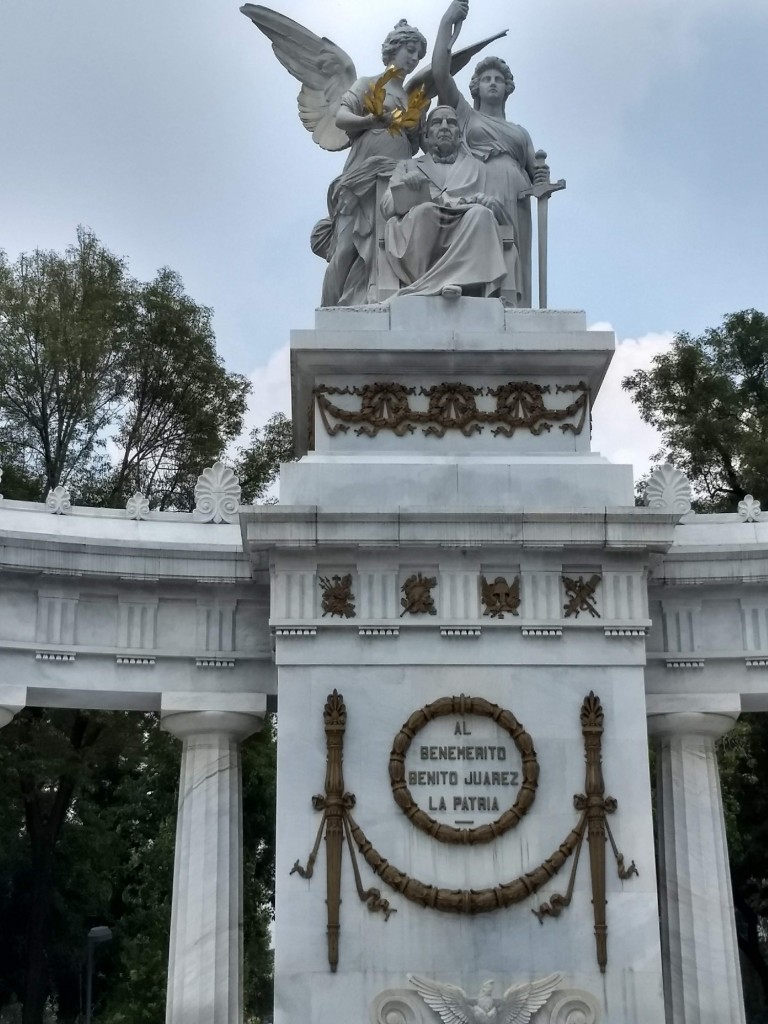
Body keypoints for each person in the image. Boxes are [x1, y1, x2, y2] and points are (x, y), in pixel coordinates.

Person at [432, 0, 544, 306]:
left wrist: (543, 177)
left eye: (498, 79)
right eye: (486, 79)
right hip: (477, 184)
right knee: (480, 234)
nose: (492, 83)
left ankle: (512, 303)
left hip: (516, 191)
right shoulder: (466, 116)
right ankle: (475, 298)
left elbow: (537, 176)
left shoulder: (520, 133)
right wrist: (447, 22)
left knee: (514, 248)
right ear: (476, 87)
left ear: (508, 88)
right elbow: (440, 73)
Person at [317, 20, 428, 307]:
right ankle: (329, 312)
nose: (415, 58)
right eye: (411, 49)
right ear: (394, 49)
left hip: (398, 176)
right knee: (344, 249)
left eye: (419, 54)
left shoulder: (414, 96)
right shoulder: (368, 84)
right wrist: (370, 120)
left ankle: (379, 304)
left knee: (391, 245)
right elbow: (341, 118)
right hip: (362, 174)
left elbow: (425, 143)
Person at [381, 106, 509, 298]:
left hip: (464, 225)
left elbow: (500, 209)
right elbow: (386, 205)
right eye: (436, 122)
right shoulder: (409, 165)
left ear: (459, 135)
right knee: (425, 211)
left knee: (481, 215)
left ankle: (455, 281)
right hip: (425, 225)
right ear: (427, 134)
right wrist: (407, 186)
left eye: (451, 123)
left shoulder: (479, 168)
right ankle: (426, 284)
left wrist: (490, 203)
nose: (444, 127)